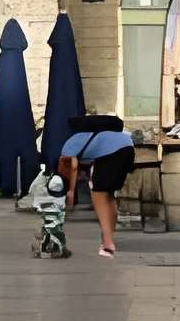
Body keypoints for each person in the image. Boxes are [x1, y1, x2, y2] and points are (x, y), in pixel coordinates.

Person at [56, 111, 140, 259]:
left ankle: (107, 244)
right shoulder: (92, 136)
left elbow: (72, 167)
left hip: (112, 153)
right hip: (128, 149)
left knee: (98, 194)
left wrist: (70, 191)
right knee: (109, 196)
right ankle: (108, 236)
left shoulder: (68, 146)